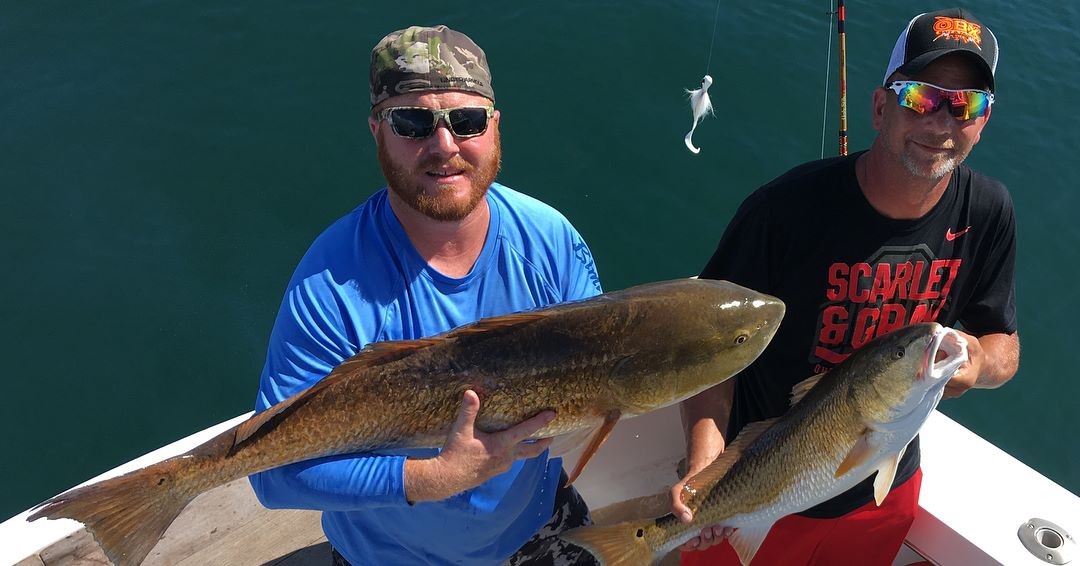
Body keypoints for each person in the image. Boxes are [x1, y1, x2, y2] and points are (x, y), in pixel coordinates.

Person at [248, 25, 603, 566]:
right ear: (376, 132)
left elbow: (603, 370)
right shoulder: (330, 287)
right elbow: (273, 474)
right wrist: (432, 477)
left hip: (538, 525)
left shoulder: (551, 241)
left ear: (495, 126)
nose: (443, 146)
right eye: (411, 123)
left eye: (466, 121)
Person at [674, 8, 1020, 565]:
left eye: (966, 104)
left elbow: (1002, 342)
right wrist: (706, 461)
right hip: (758, 487)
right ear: (881, 106)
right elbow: (709, 348)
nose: (941, 122)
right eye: (920, 97)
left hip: (885, 491)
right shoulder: (783, 210)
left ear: (983, 122)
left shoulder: (989, 210)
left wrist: (977, 363)